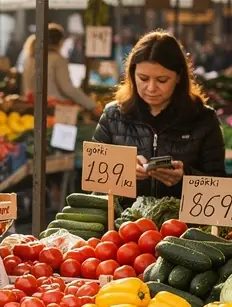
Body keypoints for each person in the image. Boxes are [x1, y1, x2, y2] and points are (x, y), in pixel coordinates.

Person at [94, 30, 224, 197]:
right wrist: (122, 169)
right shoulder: (112, 116)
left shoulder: (204, 119)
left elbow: (219, 188)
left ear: (178, 77)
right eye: (143, 78)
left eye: (162, 80)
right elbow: (96, 186)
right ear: (132, 74)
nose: (151, 88)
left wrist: (186, 177)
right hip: (124, 214)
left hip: (181, 215)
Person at [21, 23, 97, 112]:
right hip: (53, 110)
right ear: (60, 42)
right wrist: (92, 106)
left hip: (33, 109)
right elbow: (67, 89)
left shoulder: (30, 58)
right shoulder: (58, 59)